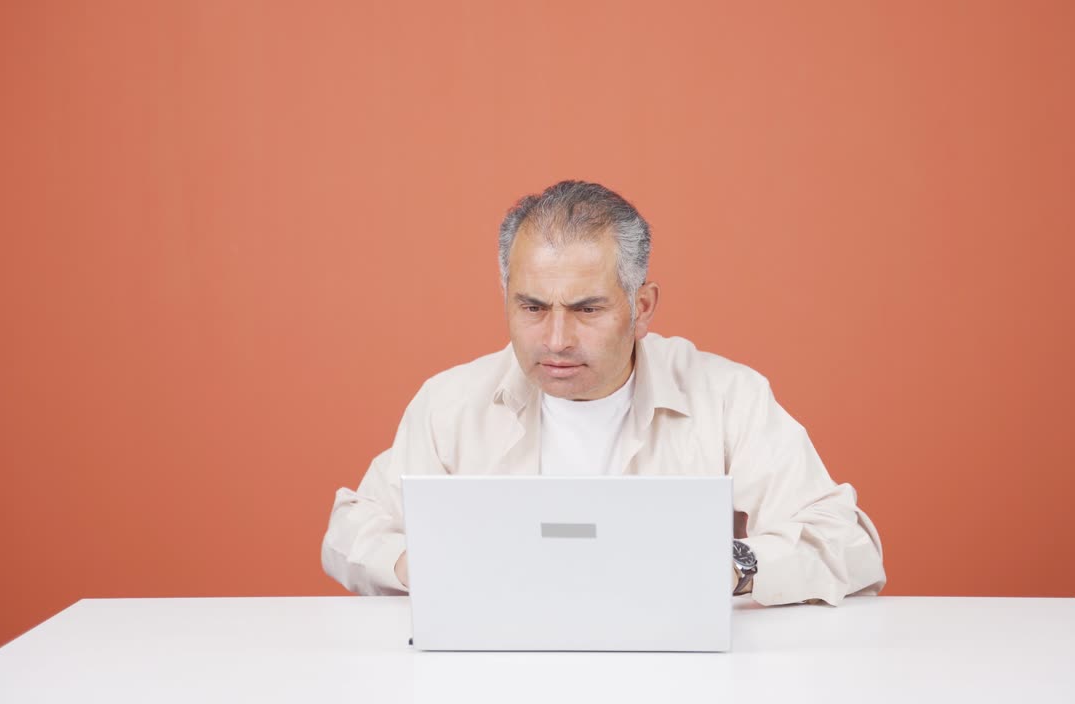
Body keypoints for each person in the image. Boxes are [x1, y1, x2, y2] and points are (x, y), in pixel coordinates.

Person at [321, 180, 885, 606]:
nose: (557, 339)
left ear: (641, 308)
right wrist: (418, 565)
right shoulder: (450, 403)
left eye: (587, 309)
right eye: (532, 308)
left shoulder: (729, 397)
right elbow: (350, 528)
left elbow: (849, 545)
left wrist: (730, 565)